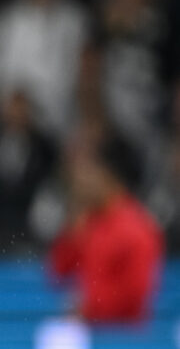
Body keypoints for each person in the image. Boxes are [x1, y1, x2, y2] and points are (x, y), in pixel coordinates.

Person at [47, 133, 164, 322]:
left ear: (105, 174)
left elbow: (136, 294)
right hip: (91, 331)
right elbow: (58, 273)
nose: (77, 182)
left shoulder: (137, 227)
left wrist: (90, 307)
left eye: (84, 172)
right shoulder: (90, 220)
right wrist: (73, 231)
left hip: (124, 341)